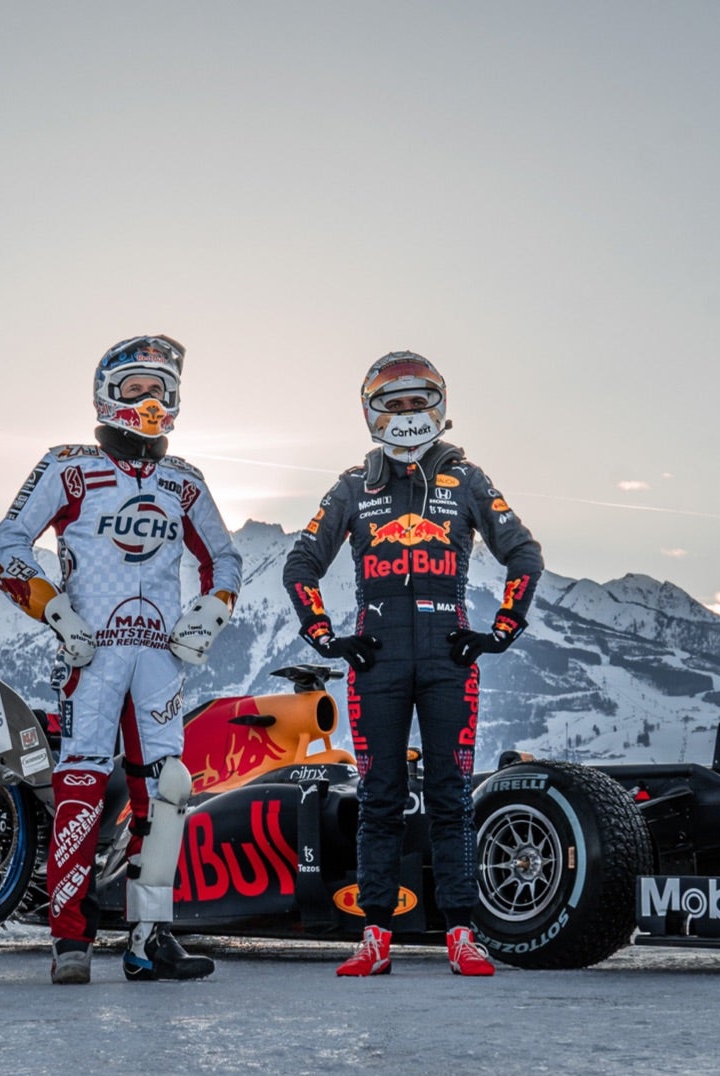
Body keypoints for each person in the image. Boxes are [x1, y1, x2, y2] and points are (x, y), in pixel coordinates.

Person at [0, 334, 242, 984]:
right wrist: (53, 611)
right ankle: (70, 941)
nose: (149, 399)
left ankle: (149, 939)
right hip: (90, 655)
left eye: (161, 388)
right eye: (136, 387)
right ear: (106, 393)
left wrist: (208, 617)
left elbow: (225, 558)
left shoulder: (184, 480)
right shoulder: (68, 466)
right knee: (80, 790)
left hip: (159, 657)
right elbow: (3, 544)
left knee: (165, 796)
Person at [282, 351, 542, 977]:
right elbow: (300, 565)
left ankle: (462, 934)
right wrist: (327, 638)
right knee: (379, 797)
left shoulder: (467, 479)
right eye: (393, 404)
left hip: (451, 659)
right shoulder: (353, 485)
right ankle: (374, 937)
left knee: (452, 797)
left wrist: (499, 632)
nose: (406, 414)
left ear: (438, 407)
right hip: (377, 661)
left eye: (416, 402)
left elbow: (524, 554)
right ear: (373, 412)